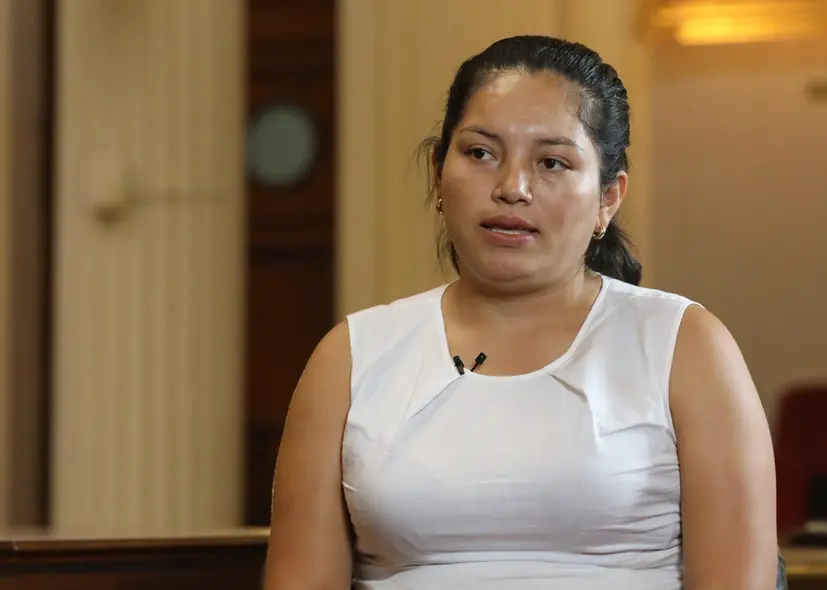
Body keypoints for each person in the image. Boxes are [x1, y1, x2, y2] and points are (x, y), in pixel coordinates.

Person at [264, 35, 777, 590]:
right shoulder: (351, 357)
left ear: (608, 197)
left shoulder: (685, 345)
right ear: (439, 171)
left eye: (552, 162)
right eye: (480, 153)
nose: (512, 188)